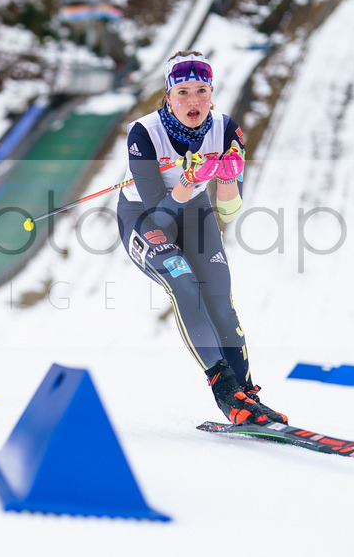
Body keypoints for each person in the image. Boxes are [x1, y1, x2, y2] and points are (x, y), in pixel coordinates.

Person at [117, 51, 287, 425]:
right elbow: (160, 214)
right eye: (182, 92)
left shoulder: (226, 130)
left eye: (201, 90)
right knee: (184, 283)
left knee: (220, 299)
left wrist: (225, 178)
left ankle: (248, 394)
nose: (192, 101)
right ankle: (226, 391)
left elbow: (227, 211)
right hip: (146, 220)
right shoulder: (143, 133)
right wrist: (190, 180)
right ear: (168, 96)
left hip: (196, 215)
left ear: (212, 93)